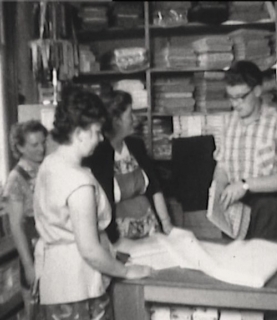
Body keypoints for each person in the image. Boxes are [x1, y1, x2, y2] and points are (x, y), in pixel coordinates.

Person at [33, 87, 151, 320]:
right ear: (79, 133)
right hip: (78, 286)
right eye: (97, 132)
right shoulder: (79, 181)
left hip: (52, 280)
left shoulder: (50, 164)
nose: (100, 138)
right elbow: (89, 249)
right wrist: (126, 272)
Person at [213, 60, 277, 240]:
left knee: (265, 261)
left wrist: (245, 185)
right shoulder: (228, 122)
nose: (235, 104)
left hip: (270, 208)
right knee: (232, 260)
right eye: (231, 97)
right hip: (235, 206)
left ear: (258, 90)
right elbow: (222, 166)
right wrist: (219, 188)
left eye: (241, 97)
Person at [84, 89, 173, 242]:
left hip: (150, 226)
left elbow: (155, 188)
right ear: (116, 120)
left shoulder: (136, 145)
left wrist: (167, 225)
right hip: (118, 235)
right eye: (130, 114)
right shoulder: (98, 155)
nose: (134, 119)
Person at [3, 120, 48, 320]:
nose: (41, 148)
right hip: (32, 245)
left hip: (49, 242)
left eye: (43, 142)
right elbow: (16, 226)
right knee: (35, 309)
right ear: (20, 147)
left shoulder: (45, 168)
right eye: (34, 145)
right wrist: (29, 266)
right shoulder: (16, 178)